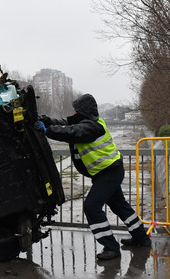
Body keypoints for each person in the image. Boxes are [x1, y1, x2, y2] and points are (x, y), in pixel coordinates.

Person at [37, 94, 151, 261]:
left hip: (109, 172)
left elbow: (72, 131)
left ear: (82, 111)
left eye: (76, 108)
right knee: (120, 206)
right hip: (107, 172)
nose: (73, 111)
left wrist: (47, 131)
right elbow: (64, 124)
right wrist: (46, 120)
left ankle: (111, 247)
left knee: (91, 207)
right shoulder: (87, 122)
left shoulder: (93, 127)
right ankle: (142, 238)